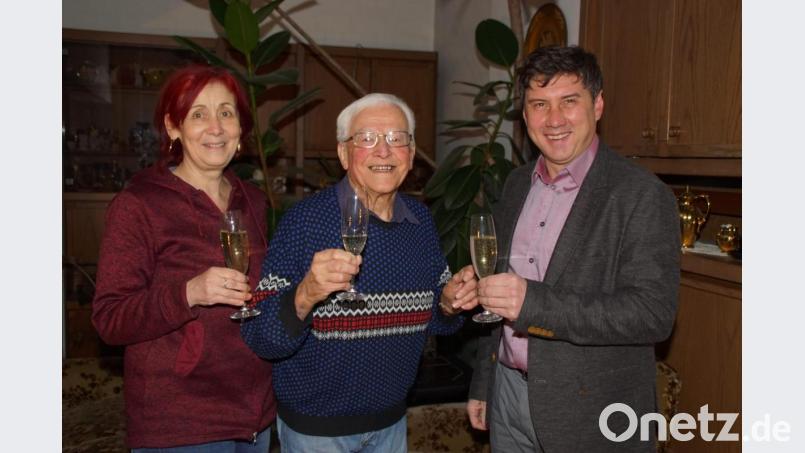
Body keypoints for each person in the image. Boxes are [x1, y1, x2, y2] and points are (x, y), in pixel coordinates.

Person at [462, 46, 680, 452]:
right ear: (525, 116)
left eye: (569, 101)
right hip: (509, 395)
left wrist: (533, 302)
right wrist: (485, 382)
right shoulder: (515, 186)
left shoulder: (641, 195)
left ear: (597, 105)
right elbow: (502, 297)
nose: (554, 119)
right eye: (539, 105)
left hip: (595, 413)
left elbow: (652, 315)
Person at [241, 93, 478, 452]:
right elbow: (260, 336)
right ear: (343, 153)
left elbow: (437, 321)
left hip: (392, 424)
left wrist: (449, 304)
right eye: (367, 138)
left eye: (397, 139)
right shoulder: (304, 223)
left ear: (411, 154)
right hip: (317, 432)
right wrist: (305, 293)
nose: (384, 151)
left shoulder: (421, 222)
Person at [92, 65, 276, 451]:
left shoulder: (253, 201)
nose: (216, 127)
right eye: (198, 114)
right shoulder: (139, 204)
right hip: (182, 423)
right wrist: (188, 293)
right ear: (173, 128)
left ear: (240, 128)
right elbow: (110, 320)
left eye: (226, 112)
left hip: (255, 415)